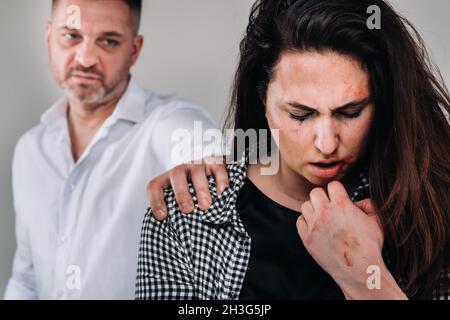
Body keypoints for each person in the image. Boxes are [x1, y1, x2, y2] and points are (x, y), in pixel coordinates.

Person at [139, 0, 450, 299]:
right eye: (300, 115)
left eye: (350, 112)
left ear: (381, 100)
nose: (326, 144)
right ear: (263, 99)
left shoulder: (431, 207)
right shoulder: (187, 217)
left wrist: (366, 278)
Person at [5, 0, 220, 299]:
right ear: (49, 37)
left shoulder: (163, 123)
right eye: (71, 36)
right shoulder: (30, 151)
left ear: (134, 50)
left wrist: (207, 161)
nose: (86, 57)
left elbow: (196, 142)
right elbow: (27, 276)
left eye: (108, 41)